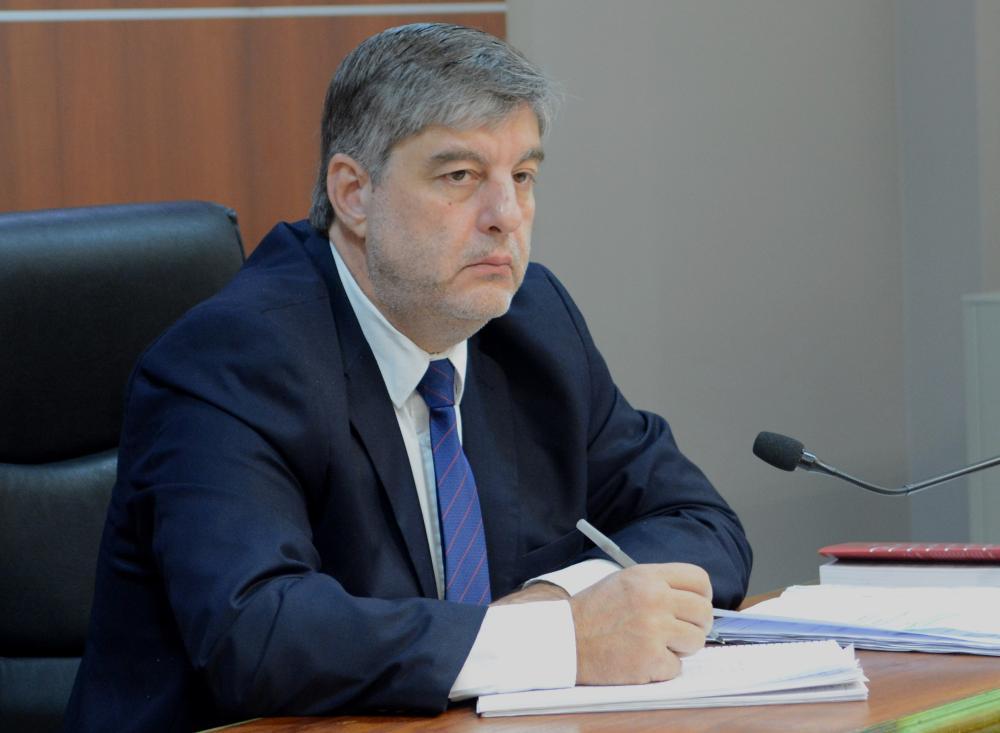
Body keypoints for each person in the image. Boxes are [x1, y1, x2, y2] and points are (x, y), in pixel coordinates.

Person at [63, 23, 752, 732]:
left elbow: (703, 526)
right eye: (460, 177)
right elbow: (260, 633)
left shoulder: (533, 323)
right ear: (354, 194)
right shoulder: (233, 359)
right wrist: (558, 639)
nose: (505, 217)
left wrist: (555, 601)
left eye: (522, 177)